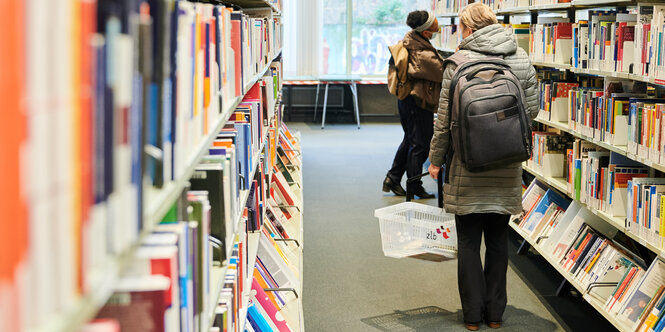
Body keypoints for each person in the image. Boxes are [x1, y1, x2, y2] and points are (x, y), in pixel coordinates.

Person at [426, 3, 538, 331]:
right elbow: (531, 112)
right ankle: (495, 316)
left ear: (469, 29)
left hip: (467, 165)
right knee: (499, 241)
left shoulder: (457, 62)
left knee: (469, 242)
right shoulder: (520, 58)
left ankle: (472, 316)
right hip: (507, 165)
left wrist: (435, 160)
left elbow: (444, 121)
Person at [383, 10, 444, 199]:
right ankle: (414, 185)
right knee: (421, 144)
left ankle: (393, 178)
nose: (437, 27)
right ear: (425, 32)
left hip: (408, 101)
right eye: (434, 25)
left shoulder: (412, 42)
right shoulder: (421, 53)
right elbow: (442, 71)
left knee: (410, 139)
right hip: (417, 102)